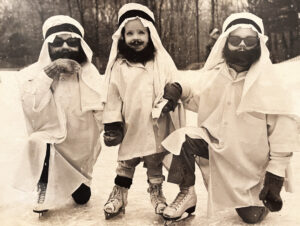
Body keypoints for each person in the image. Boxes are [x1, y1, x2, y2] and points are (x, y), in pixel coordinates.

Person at [161, 12, 300, 224]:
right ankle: (187, 193)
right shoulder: (217, 74)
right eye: (235, 40)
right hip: (218, 148)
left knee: (252, 218)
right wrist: (178, 89)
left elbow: (282, 135)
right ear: (226, 42)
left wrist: (275, 177)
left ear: (258, 44)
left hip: (250, 167)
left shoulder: (270, 84)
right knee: (182, 139)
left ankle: (250, 198)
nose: (242, 46)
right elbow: (198, 98)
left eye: (249, 40)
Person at [13, 15, 105, 215]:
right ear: (48, 47)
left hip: (81, 147)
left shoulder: (89, 73)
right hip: (51, 141)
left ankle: (79, 181)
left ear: (80, 47)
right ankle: (43, 188)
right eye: (58, 43)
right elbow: (32, 106)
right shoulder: (33, 74)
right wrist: (51, 71)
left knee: (82, 199)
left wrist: (111, 127)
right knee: (39, 141)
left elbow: (102, 106)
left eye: (72, 43)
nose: (65, 47)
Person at [102, 3, 185, 219]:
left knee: (154, 162)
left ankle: (157, 194)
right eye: (129, 33)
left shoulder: (161, 61)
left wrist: (173, 90)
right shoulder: (119, 66)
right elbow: (112, 97)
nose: (135, 37)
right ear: (122, 37)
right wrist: (112, 123)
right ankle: (119, 194)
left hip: (156, 123)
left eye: (141, 32)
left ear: (150, 34)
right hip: (131, 124)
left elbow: (175, 80)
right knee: (126, 162)